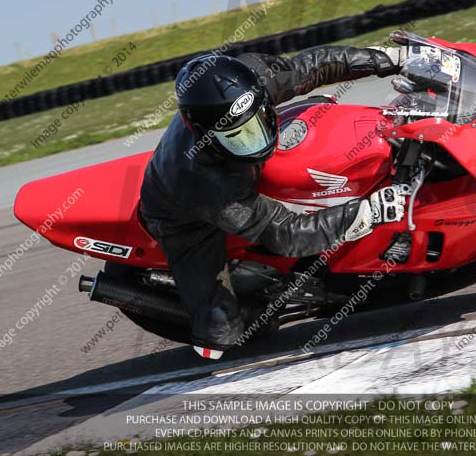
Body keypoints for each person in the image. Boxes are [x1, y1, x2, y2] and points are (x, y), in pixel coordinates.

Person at [140, 43, 418, 359]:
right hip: (180, 217)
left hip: (237, 166)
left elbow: (315, 65)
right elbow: (286, 234)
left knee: (321, 112)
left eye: (257, 122)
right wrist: (367, 212)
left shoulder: (251, 78)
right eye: (238, 136)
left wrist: (388, 59)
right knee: (220, 335)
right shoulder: (203, 184)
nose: (254, 140)